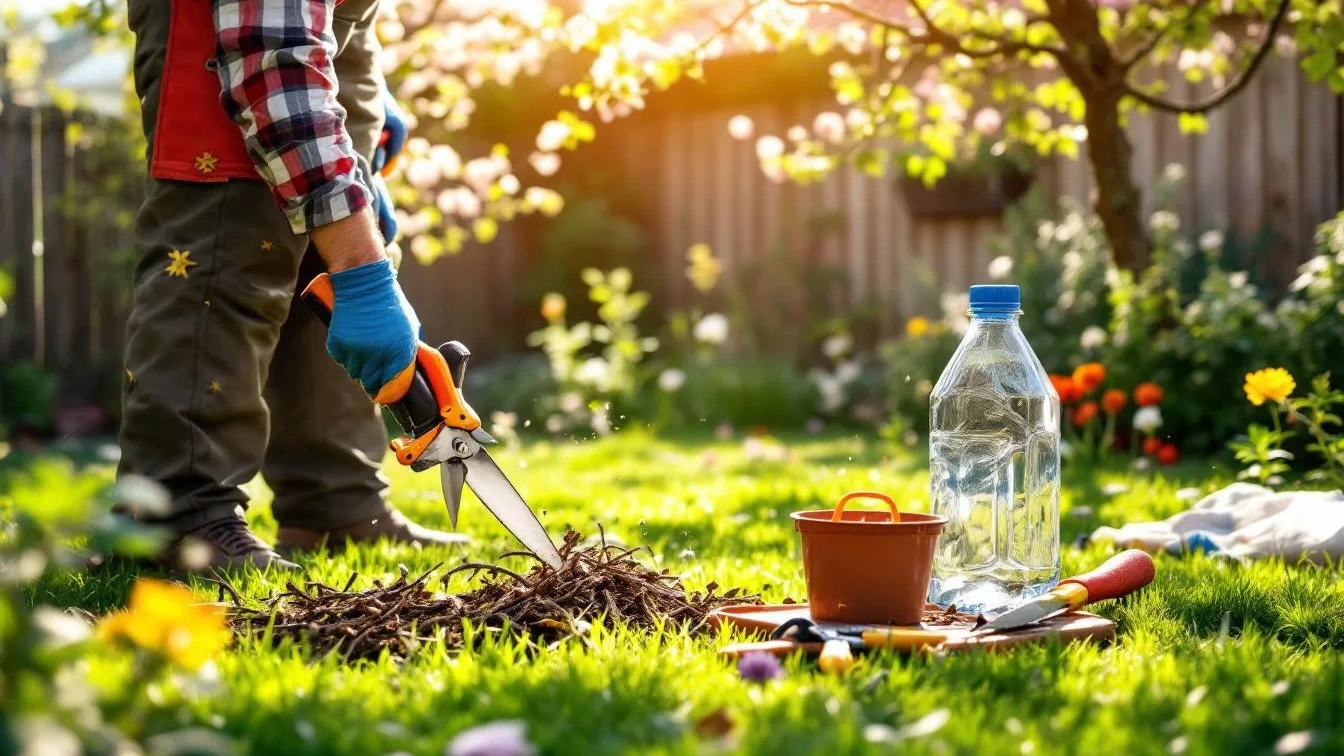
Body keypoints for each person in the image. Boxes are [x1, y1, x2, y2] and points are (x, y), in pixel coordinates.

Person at [118, 0, 466, 569]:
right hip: (235, 71)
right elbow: (273, 54)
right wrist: (363, 269)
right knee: (220, 272)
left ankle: (333, 503)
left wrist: (366, 97)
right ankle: (178, 519)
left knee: (315, 274)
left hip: (303, 65)